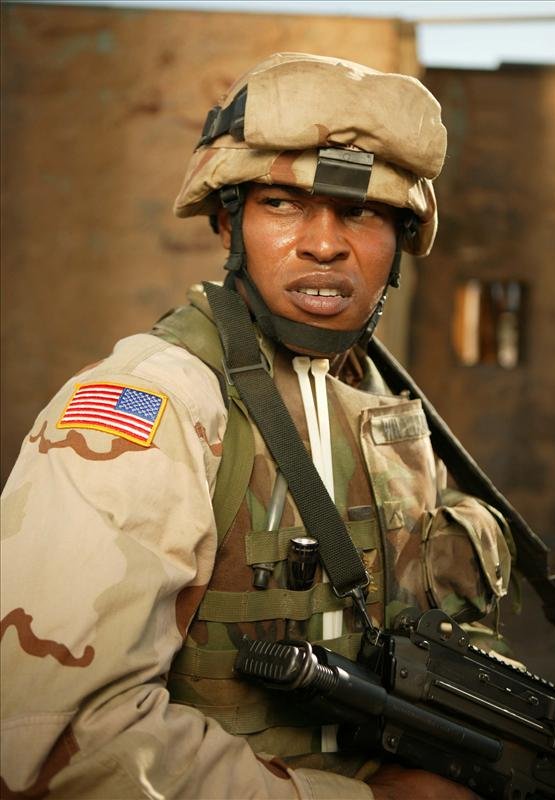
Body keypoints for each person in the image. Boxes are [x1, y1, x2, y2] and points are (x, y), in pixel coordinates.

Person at [1, 53, 513, 799]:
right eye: (282, 203)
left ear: (400, 239)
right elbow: (50, 741)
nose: (324, 243)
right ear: (227, 220)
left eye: (362, 212)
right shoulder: (155, 406)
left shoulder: (379, 403)